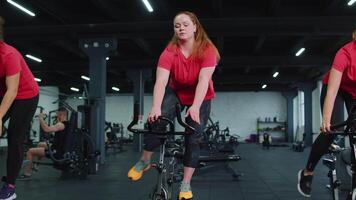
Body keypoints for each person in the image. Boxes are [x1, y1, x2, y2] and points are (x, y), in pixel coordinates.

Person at [127, 11, 220, 200]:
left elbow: (203, 80)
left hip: (200, 95)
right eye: (177, 26)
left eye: (185, 24)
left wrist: (194, 106)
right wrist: (155, 107)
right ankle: (145, 160)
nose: (181, 28)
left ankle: (185, 184)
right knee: (157, 120)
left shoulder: (208, 49)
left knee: (193, 136)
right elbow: (161, 81)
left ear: (195, 27)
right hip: (176, 91)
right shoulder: (169, 51)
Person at [298, 28, 356, 198]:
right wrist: (326, 119)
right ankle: (307, 172)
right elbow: (332, 90)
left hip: (354, 93)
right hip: (337, 89)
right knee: (330, 130)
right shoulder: (345, 53)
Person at [0, 16, 39, 200]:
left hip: (25, 95)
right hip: (4, 93)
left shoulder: (9, 55)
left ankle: (10, 187)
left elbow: (12, 90)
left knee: (15, 138)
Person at [18, 107, 68, 180]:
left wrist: (40, 118)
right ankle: (37, 165)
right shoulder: (67, 123)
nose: (56, 115)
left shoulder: (60, 125)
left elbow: (46, 129)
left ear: (61, 113)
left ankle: (27, 174)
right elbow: (53, 131)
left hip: (56, 151)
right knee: (40, 144)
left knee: (30, 151)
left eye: (57, 113)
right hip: (59, 147)